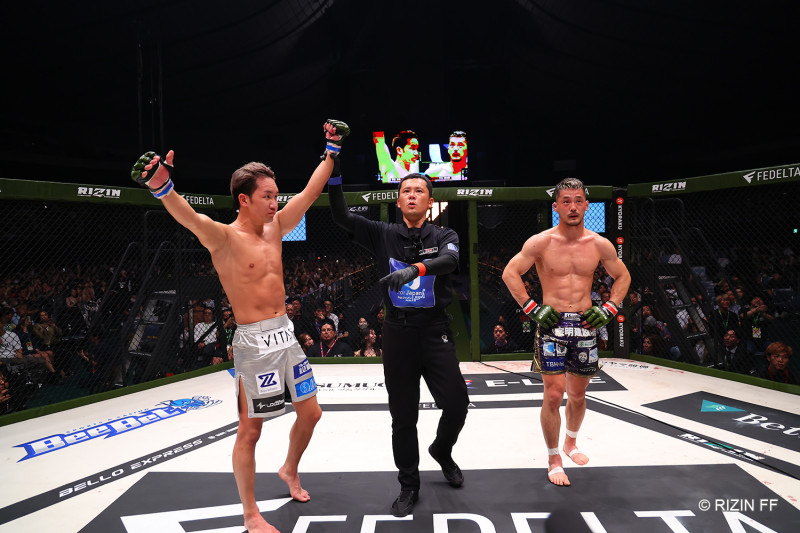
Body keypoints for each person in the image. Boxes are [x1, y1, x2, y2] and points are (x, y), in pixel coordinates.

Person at [130, 118, 349, 533]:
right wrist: (163, 188)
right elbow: (190, 218)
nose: (275, 203)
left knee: (312, 413)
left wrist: (332, 150)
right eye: (267, 196)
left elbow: (310, 191)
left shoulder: (277, 227)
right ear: (244, 200)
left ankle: (289, 469)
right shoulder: (223, 238)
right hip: (253, 344)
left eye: (276, 196)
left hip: (286, 334)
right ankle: (250, 515)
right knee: (250, 431)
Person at [330, 171, 469, 516]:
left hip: (434, 330)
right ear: (398, 200)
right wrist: (335, 174)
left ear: (429, 201)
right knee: (403, 416)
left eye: (419, 191)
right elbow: (341, 216)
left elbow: (450, 260)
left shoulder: (444, 234)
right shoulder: (383, 233)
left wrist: (415, 269)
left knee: (457, 404)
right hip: (397, 332)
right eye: (406, 190)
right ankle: (409, 485)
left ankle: (442, 450)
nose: (412, 195)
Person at [501, 178, 631, 487]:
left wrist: (609, 308)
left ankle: (571, 443)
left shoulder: (599, 244)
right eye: (566, 201)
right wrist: (531, 307)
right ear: (556, 206)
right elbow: (510, 272)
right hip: (552, 324)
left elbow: (623, 276)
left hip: (585, 324)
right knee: (553, 393)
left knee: (578, 394)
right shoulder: (541, 242)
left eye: (578, 201)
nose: (572, 207)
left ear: (586, 205)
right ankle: (553, 458)